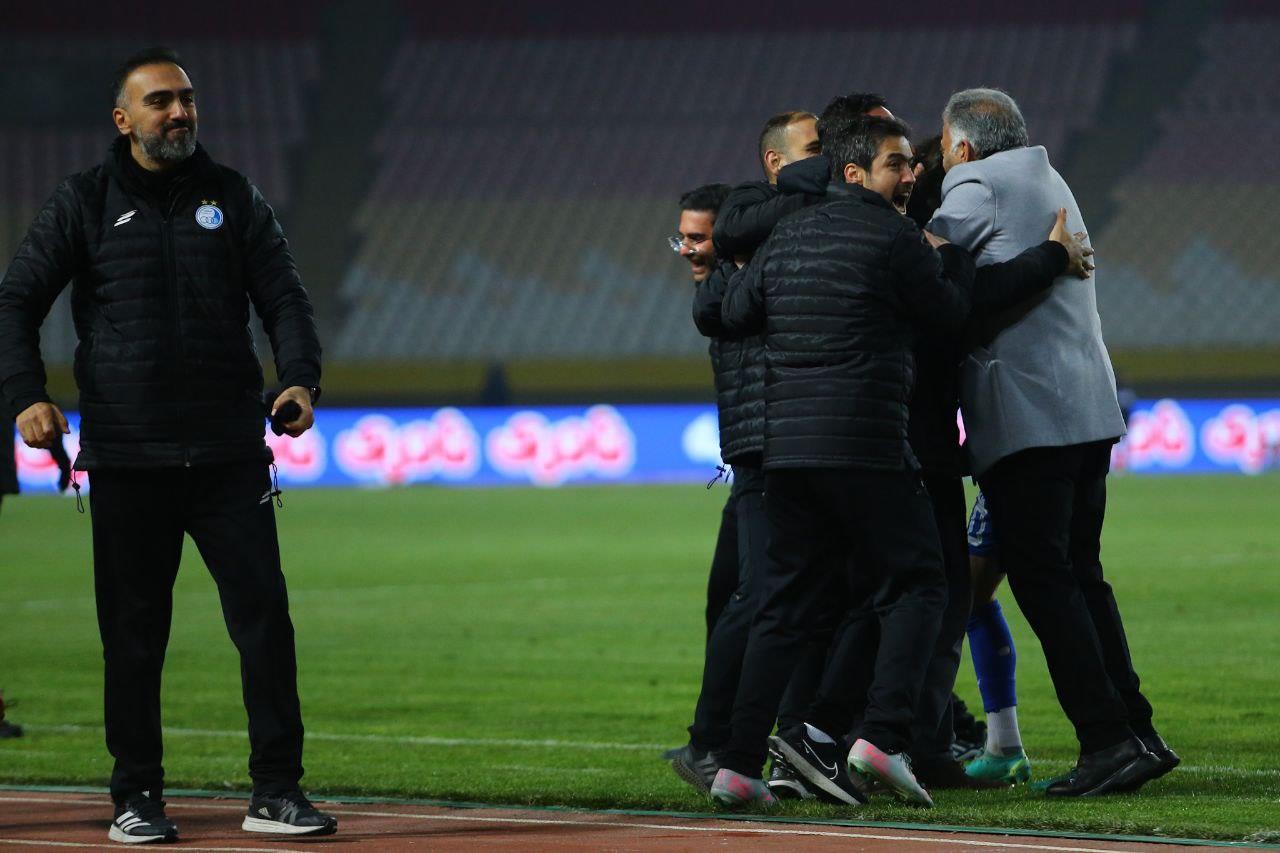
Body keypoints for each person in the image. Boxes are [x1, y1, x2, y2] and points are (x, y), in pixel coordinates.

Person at [0, 48, 337, 842]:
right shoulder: (83, 201)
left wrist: (300, 379)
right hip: (129, 453)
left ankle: (277, 790)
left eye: (186, 98)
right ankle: (137, 795)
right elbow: (15, 301)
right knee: (133, 635)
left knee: (265, 622)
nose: (179, 112)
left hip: (229, 451)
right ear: (124, 119)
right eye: (160, 101)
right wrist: (25, 397)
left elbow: (285, 297)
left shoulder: (234, 197)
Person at [709, 114, 976, 808]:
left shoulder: (786, 234)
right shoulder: (894, 237)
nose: (912, 173)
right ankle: (882, 736)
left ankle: (737, 764)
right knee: (920, 582)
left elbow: (736, 311)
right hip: (867, 443)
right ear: (854, 171)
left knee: (784, 607)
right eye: (897, 163)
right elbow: (949, 313)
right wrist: (950, 258)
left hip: (788, 451)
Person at [929, 87, 1177, 797]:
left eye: (943, 149)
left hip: (1029, 417)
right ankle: (1137, 733)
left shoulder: (976, 185)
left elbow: (939, 287)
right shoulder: (1050, 178)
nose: (941, 164)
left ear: (964, 147)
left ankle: (1105, 739)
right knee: (1082, 575)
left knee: (1045, 582)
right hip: (1087, 410)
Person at [671, 110, 829, 800]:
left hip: (767, 449)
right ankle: (722, 742)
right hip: (767, 450)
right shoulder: (733, 285)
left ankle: (737, 739)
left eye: (699, 237)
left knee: (754, 597)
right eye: (684, 238)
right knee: (758, 598)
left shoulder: (736, 277)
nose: (690, 250)